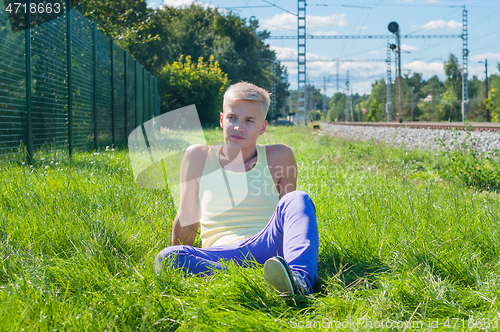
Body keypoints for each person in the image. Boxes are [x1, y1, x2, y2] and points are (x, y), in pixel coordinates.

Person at [155, 82, 319, 296]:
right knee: (167, 258)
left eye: (249, 121)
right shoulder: (197, 157)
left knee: (298, 198)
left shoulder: (279, 156)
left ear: (262, 127)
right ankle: (262, 280)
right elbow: (187, 216)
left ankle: (299, 281)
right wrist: (180, 251)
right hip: (220, 253)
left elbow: (290, 219)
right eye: (232, 118)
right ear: (222, 120)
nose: (239, 127)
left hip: (267, 246)